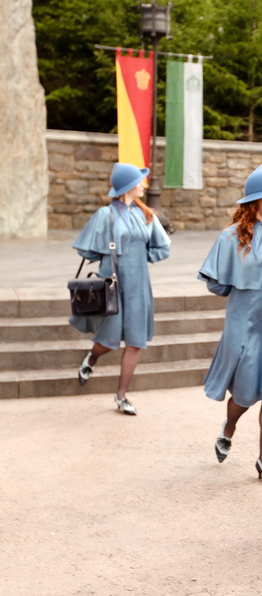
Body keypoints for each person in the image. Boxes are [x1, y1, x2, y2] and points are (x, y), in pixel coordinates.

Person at [197, 165, 262, 486]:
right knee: (245, 393)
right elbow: (216, 284)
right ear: (254, 201)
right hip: (243, 324)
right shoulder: (230, 237)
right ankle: (228, 427)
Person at [71, 162, 171, 415]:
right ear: (127, 186)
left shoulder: (146, 214)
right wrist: (110, 253)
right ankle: (92, 358)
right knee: (109, 340)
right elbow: (86, 248)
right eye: (139, 181)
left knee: (135, 342)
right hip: (112, 284)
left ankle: (121, 396)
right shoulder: (105, 215)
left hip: (139, 284)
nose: (143, 184)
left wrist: (140, 256)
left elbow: (163, 247)